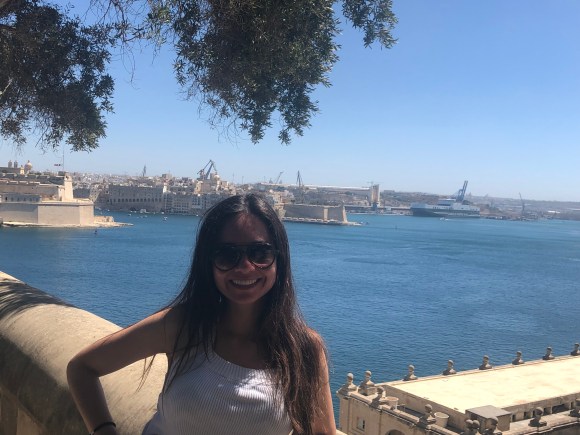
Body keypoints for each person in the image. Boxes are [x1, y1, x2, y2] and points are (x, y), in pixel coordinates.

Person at [67, 194, 335, 435]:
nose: (245, 267)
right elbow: (82, 368)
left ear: (279, 259)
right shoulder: (181, 326)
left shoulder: (303, 349)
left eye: (260, 253)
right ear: (208, 262)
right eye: (227, 255)